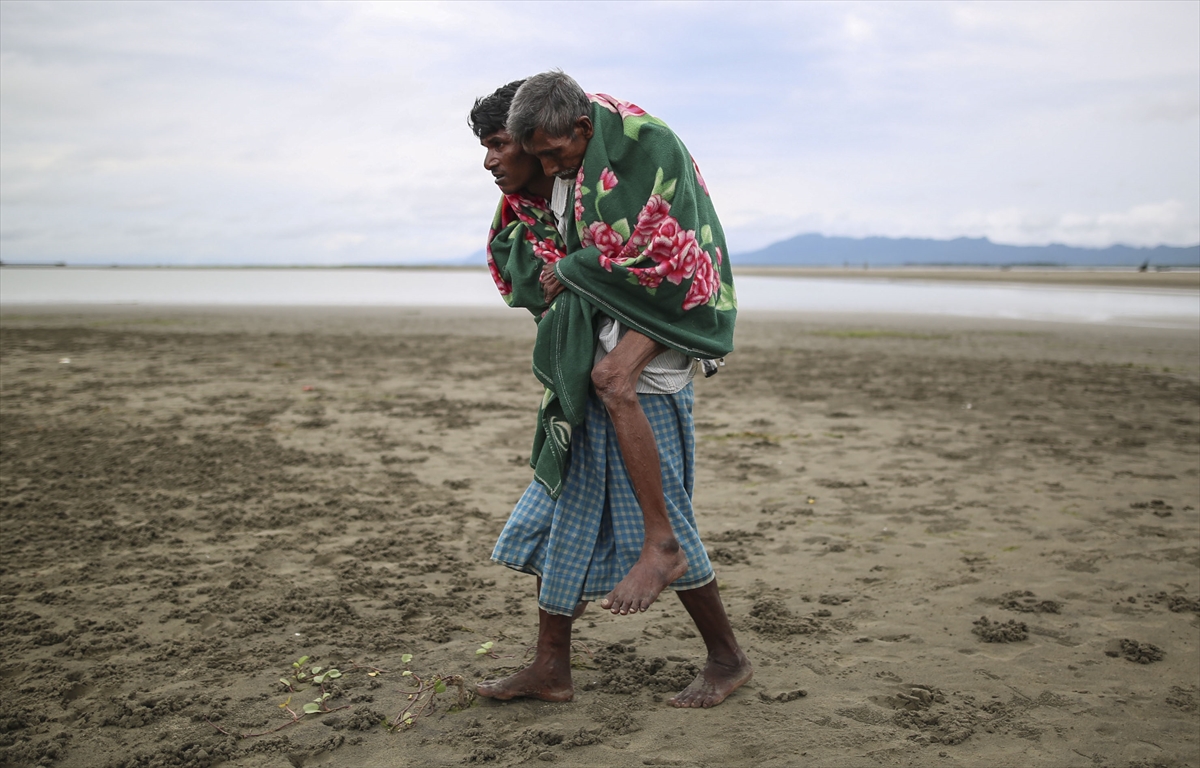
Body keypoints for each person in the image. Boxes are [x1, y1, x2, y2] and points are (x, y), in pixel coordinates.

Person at [470, 73, 751, 708]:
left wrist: (567, 271)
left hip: (660, 324)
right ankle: (550, 667)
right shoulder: (545, 187)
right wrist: (562, 272)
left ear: (579, 131)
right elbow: (531, 266)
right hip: (599, 347)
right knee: (567, 506)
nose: (497, 161)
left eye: (499, 146)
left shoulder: (632, 153)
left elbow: (658, 244)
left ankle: (727, 656)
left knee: (662, 513)